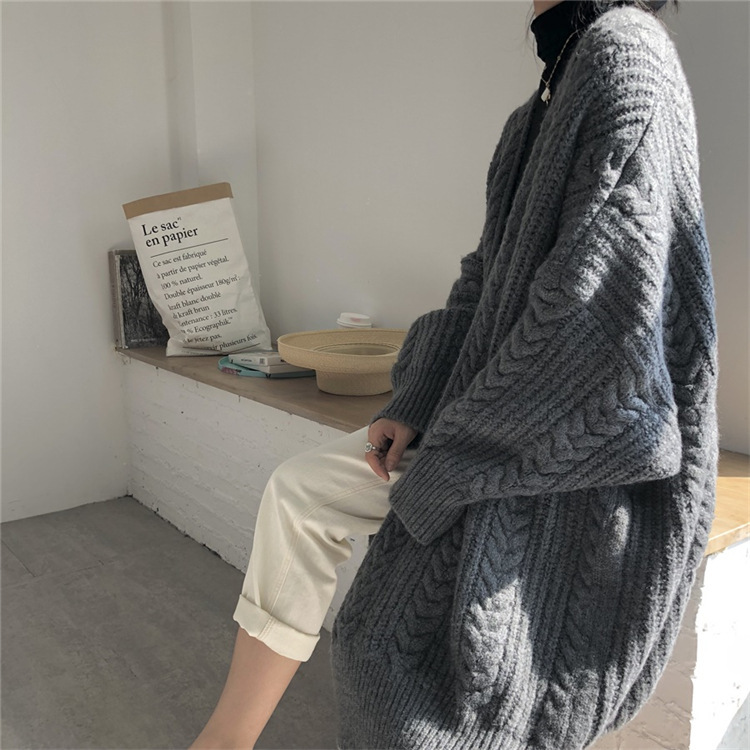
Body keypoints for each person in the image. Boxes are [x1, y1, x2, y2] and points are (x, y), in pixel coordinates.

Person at [191, 0, 718, 747]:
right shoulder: (543, 99)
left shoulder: (624, 55)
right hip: (491, 414)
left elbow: (599, 340)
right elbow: (483, 281)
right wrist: (413, 401)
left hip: (575, 455)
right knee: (299, 492)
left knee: (395, 663)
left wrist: (453, 464)